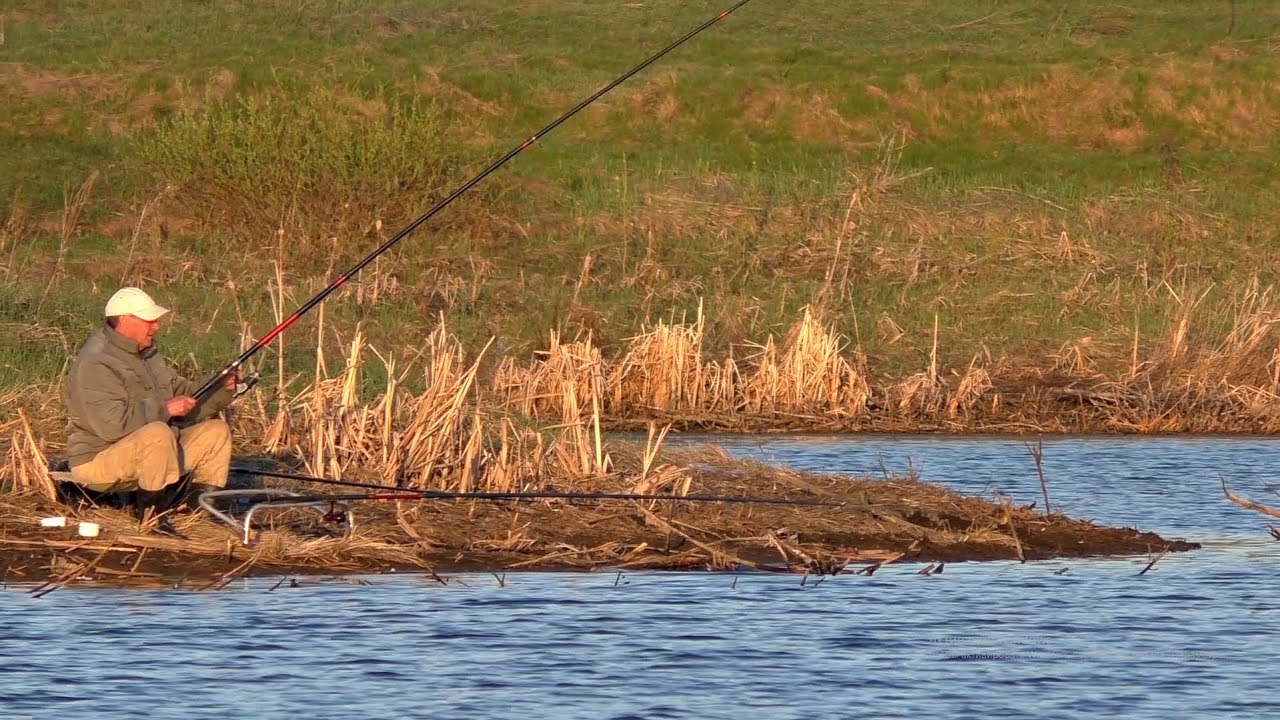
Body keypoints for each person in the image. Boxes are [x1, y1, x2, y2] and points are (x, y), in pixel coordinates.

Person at [63, 287, 236, 521]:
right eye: (149, 320)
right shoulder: (96, 362)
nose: (157, 326)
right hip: (97, 460)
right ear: (125, 320)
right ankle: (152, 517)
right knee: (157, 432)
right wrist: (165, 409)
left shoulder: (146, 353)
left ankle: (198, 516)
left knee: (216, 432)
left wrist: (219, 387)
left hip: (152, 451)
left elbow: (181, 395)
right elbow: (112, 426)